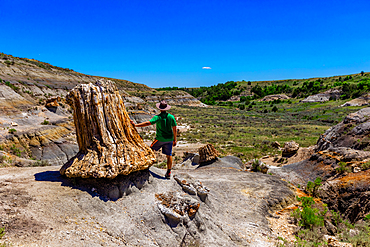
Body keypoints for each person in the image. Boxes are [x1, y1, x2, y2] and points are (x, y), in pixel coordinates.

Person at [130, 100, 177, 179]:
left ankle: (146, 166)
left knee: (150, 149)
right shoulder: (171, 117)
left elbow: (148, 123)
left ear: (160, 108)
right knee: (169, 155)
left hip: (159, 139)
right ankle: (169, 172)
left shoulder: (157, 117)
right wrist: (175, 140)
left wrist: (136, 125)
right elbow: (174, 129)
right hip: (169, 139)